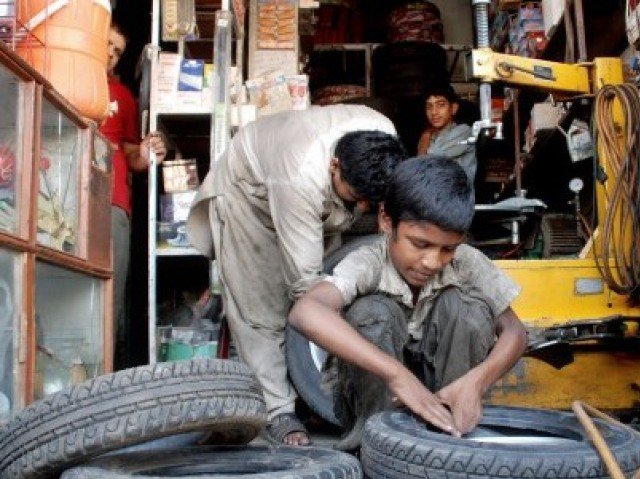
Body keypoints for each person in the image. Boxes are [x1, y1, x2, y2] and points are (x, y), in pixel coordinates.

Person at [187, 104, 407, 446]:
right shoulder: (300, 175)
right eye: (356, 197)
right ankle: (277, 411)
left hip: (312, 190)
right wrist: (349, 342)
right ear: (335, 165)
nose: (363, 207)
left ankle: (317, 393)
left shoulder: (384, 137)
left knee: (341, 278)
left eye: (370, 201)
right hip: (250, 194)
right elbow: (307, 290)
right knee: (262, 307)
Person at [288, 156, 527, 450]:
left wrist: (476, 383)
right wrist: (397, 375)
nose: (432, 262)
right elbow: (305, 312)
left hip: (445, 396)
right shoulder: (369, 262)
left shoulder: (467, 263)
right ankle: (377, 445)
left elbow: (515, 332)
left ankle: (450, 435)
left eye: (448, 249)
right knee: (371, 312)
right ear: (386, 220)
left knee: (468, 308)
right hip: (377, 400)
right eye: (420, 244)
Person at [102, 20, 167, 369]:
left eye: (118, 52)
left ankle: (102, 378)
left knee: (109, 294)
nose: (111, 55)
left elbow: (131, 155)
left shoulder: (123, 97)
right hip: (61, 200)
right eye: (106, 45)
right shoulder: (61, 79)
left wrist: (145, 153)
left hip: (112, 201)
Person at [416, 84, 476, 181]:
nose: (434, 112)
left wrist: (425, 136)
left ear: (453, 108)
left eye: (441, 105)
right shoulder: (429, 136)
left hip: (455, 195)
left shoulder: (464, 132)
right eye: (429, 106)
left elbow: (424, 164)